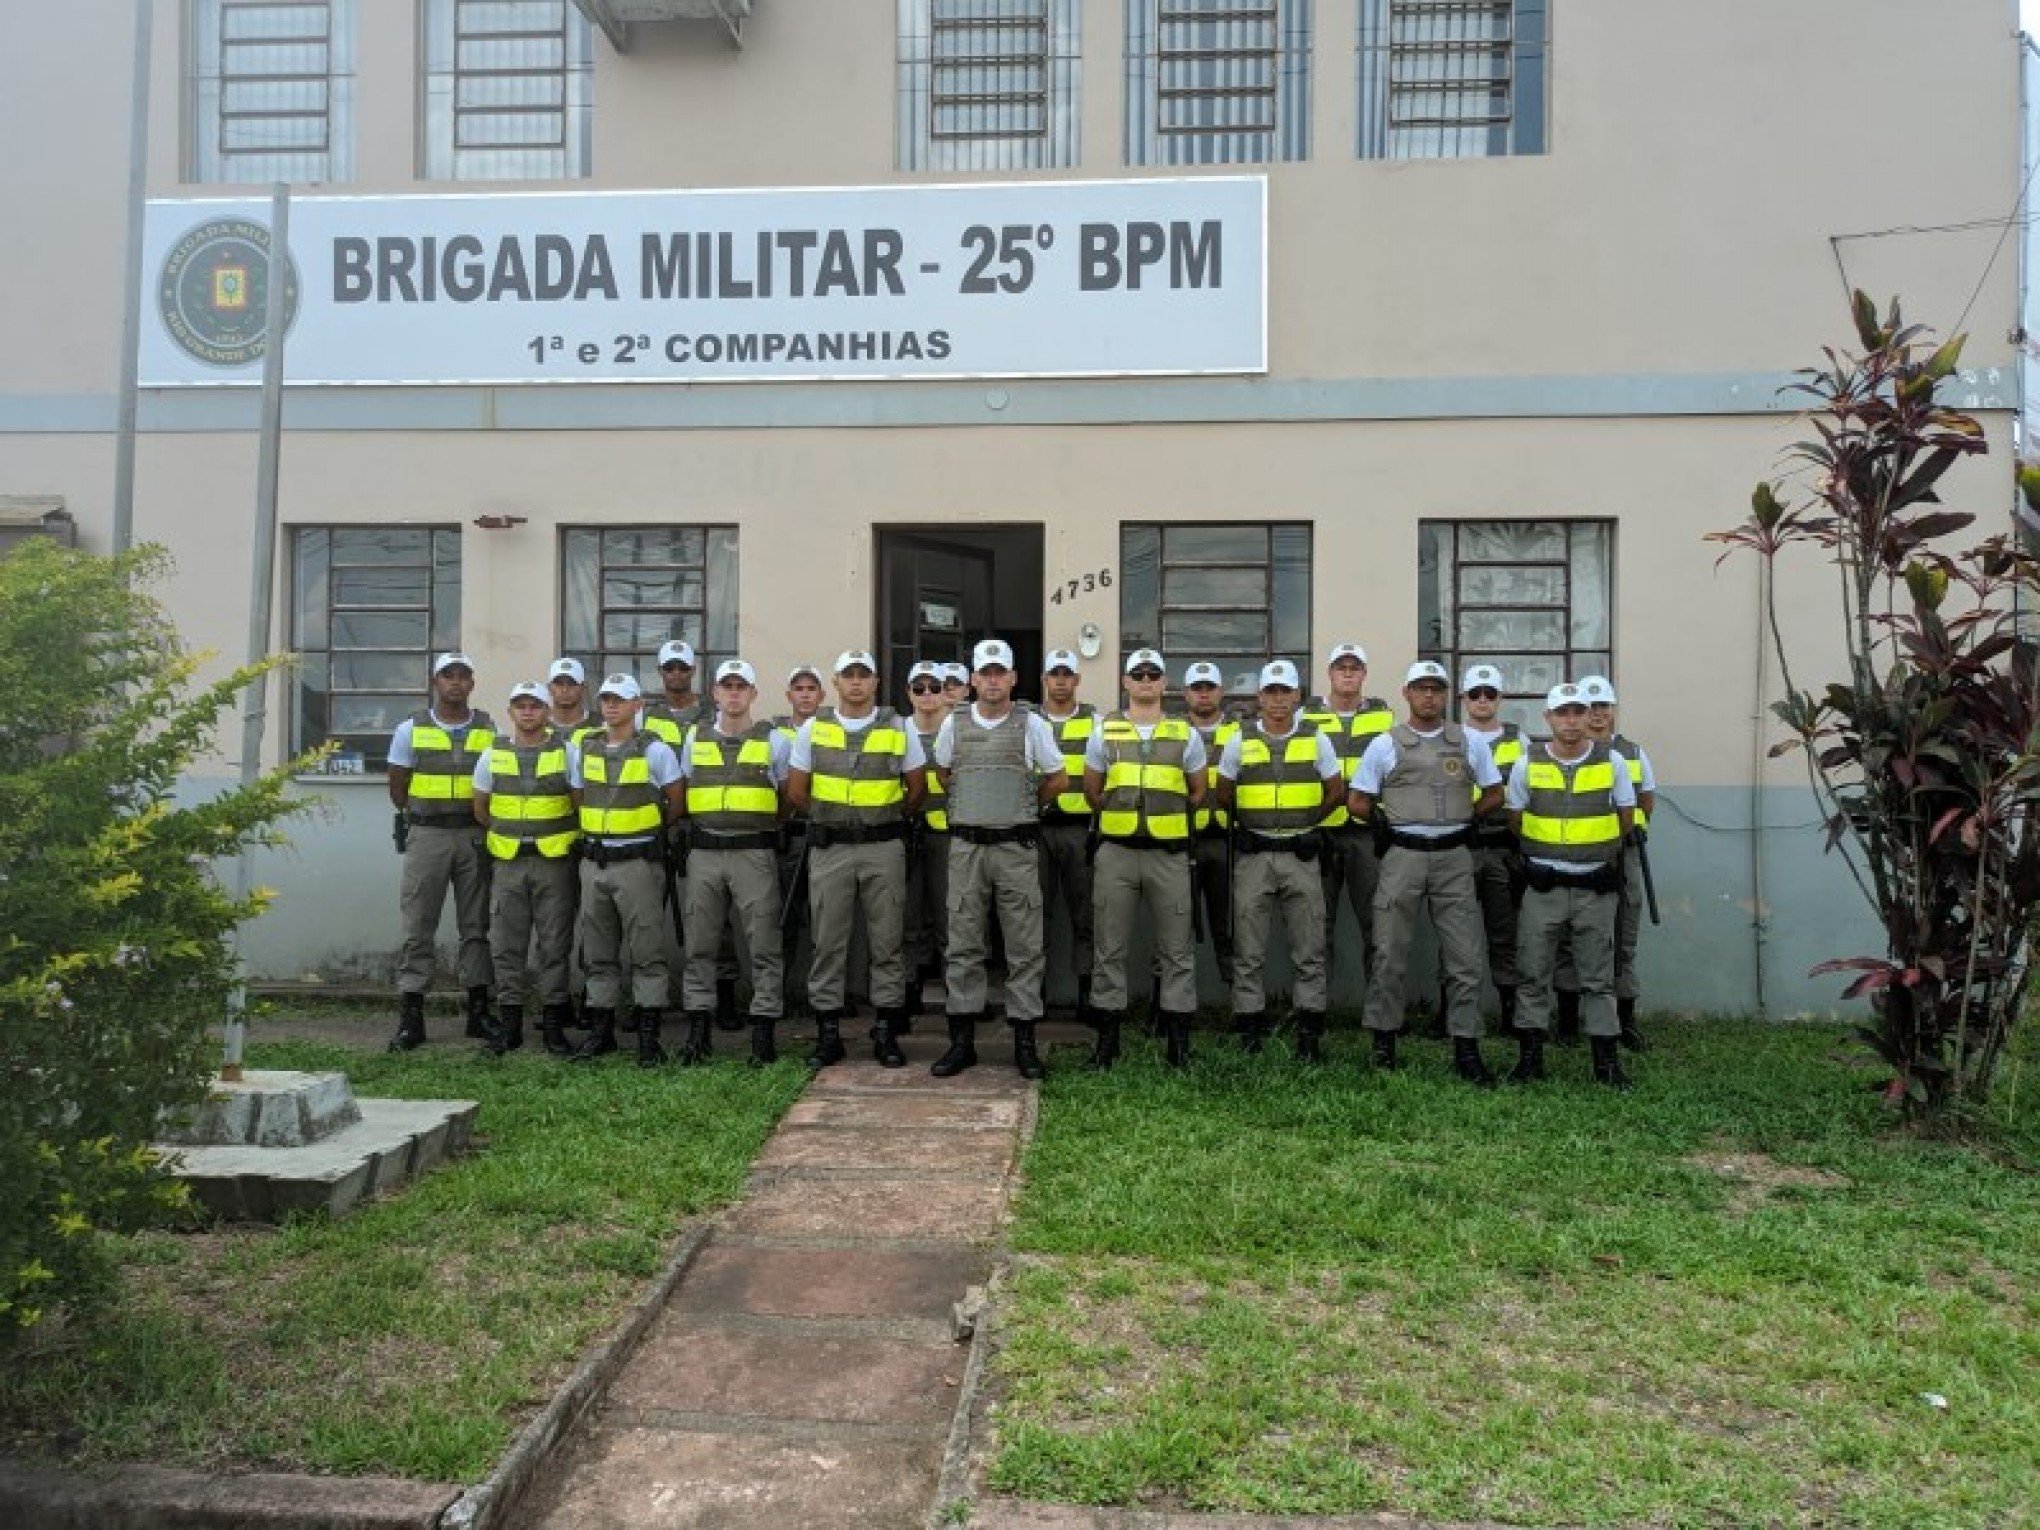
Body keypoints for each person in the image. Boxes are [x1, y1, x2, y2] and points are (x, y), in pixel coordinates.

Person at [1348, 660, 1504, 1085]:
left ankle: (1466, 1048)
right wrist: (1383, 825)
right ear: (1407, 694)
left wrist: (1469, 817)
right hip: (1403, 856)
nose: (1429, 696)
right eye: (1421, 688)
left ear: (1446, 694)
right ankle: (1384, 1043)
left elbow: (1494, 793)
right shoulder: (1385, 744)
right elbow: (1358, 801)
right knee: (1388, 952)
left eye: (1437, 689)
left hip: (1454, 857)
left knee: (1464, 957)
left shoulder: (1469, 741)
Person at [931, 638, 1067, 1078]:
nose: (991, 680)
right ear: (973, 679)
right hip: (968, 848)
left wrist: (1026, 809)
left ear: (1012, 678)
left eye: (999, 673)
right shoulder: (954, 724)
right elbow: (942, 774)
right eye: (984, 673)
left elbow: (1057, 780)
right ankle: (962, 1043)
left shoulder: (1032, 725)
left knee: (1024, 944)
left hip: (1015, 848)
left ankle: (1024, 1044)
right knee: (964, 942)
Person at [789, 650, 927, 1068]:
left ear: (876, 682)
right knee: (828, 941)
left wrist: (882, 820)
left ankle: (885, 1031)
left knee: (887, 942)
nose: (855, 682)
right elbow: (797, 792)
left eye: (862, 675)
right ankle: (827, 1034)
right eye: (847, 675)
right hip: (830, 848)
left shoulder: (900, 728)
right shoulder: (814, 728)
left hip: (883, 847)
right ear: (835, 682)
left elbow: (916, 789)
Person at [1506, 682, 1639, 1089]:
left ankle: (1606, 1063)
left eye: (1578, 712)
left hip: (1594, 887)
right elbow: (1515, 815)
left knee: (1598, 976)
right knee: (1532, 971)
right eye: (1562, 713)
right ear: (1547, 718)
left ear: (1588, 717)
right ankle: (1530, 1058)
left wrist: (1593, 853)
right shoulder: (1527, 762)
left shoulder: (1611, 761)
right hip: (1544, 884)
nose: (1571, 720)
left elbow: (1627, 816)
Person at [1084, 648, 1207, 1068]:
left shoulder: (1183, 733)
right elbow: (1092, 792)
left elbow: (1198, 792)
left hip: (1168, 856)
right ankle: (1107, 1041)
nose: (1145, 680)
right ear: (1125, 682)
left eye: (1153, 674)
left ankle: (1178, 1045)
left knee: (1177, 950)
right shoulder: (1105, 730)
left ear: (1164, 683)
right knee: (1109, 947)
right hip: (1116, 854)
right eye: (1138, 674)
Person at [1215, 660, 1341, 1059]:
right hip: (1254, 857)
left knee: (1309, 950)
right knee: (1248, 951)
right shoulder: (1240, 739)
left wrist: (1309, 826)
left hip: (1301, 856)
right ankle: (1250, 1033)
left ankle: (1308, 1038)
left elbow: (1335, 790)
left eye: (1285, 692)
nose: (1278, 700)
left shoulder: (1316, 738)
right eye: (1271, 692)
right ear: (1259, 697)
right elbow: (1223, 793)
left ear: (1297, 696)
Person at [676, 660, 789, 1067]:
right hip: (705, 852)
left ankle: (763, 1034)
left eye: (743, 686)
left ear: (754, 694)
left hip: (754, 853)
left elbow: (788, 799)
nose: (735, 693)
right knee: (700, 945)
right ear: (715, 693)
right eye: (728, 686)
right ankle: (698, 1033)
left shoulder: (774, 741)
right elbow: (685, 790)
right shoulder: (695, 738)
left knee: (762, 945)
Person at [569, 674, 685, 1065]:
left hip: (638, 863)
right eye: (606, 699)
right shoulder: (583, 748)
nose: (611, 706)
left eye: (620, 700)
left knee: (647, 951)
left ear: (638, 705)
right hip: (594, 862)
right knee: (598, 953)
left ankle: (648, 1038)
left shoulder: (656, 751)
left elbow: (676, 803)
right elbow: (577, 797)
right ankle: (601, 1033)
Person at [386, 651, 495, 1052]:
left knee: (477, 926)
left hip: (473, 835)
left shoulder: (487, 727)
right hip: (428, 835)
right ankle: (412, 1016)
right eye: (447, 675)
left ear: (472, 683)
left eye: (462, 675)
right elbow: (397, 786)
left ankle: (478, 1012)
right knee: (419, 924)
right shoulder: (409, 729)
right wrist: (420, 816)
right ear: (435, 682)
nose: (454, 682)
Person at [472, 682, 580, 1057]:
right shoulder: (491, 755)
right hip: (508, 863)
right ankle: (510, 1027)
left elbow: (578, 804)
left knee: (555, 945)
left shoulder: (567, 752)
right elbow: (481, 808)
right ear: (511, 711)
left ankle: (553, 1028)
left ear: (547, 712)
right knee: (507, 946)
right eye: (521, 705)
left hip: (554, 862)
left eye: (535, 706)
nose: (529, 712)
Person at [642, 637, 736, 1031]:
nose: (676, 674)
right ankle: (645, 1002)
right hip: (657, 826)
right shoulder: (643, 717)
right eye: (669, 668)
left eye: (683, 667)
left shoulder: (711, 714)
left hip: (702, 823)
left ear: (693, 671)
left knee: (719, 916)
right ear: (660, 672)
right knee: (647, 913)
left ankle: (726, 996)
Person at [1302, 643, 1394, 998]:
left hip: (1366, 833)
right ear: (1329, 673)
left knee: (1375, 921)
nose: (1348, 673)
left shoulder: (1384, 718)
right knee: (1317, 923)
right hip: (1320, 832)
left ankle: (1378, 1004)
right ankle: (1315, 1004)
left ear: (1364, 674)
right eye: (1341, 667)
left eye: (1355, 668)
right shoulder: (1305, 717)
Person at [1586, 674, 1656, 1053]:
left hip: (1625, 852)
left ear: (1613, 711)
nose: (1597, 714)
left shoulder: (1632, 753)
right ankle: (1571, 1021)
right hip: (1584, 854)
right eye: (1591, 707)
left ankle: (1625, 1022)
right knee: (1578, 938)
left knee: (1625, 934)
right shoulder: (1572, 752)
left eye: (1603, 707)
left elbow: (1646, 800)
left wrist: (1629, 831)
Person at [1459, 663, 1526, 1036]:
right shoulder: (1451, 739)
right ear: (1465, 699)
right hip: (1461, 848)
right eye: (1475, 694)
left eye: (1490, 694)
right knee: (1456, 935)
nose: (1482, 701)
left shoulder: (1521, 742)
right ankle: (1450, 1011)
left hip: (1504, 849)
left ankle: (1509, 1013)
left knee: (1505, 934)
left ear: (1500, 698)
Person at [1036, 648, 1097, 1022]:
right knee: (1032, 916)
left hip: (1080, 830)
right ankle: (1034, 994)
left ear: (1076, 680)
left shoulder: (1096, 722)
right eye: (1053, 673)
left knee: (1085, 914)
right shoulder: (1026, 721)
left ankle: (1087, 995)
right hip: (1037, 830)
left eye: (1066, 673)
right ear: (1044, 679)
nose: (1060, 680)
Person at [773, 663, 827, 1024]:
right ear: (789, 695)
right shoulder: (773, 734)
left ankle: (824, 995)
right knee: (785, 917)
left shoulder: (830, 731)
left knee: (825, 919)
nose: (805, 693)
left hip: (823, 833)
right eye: (799, 688)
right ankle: (782, 992)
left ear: (822, 696)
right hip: (788, 836)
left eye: (812, 688)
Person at [1184, 660, 1240, 997]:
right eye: (1197, 688)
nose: (1203, 695)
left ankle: (1239, 1006)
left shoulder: (1240, 732)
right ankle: (1171, 1009)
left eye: (1209, 688)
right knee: (1177, 928)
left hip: (1226, 842)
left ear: (1220, 692)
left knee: (1230, 926)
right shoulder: (1171, 731)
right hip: (1181, 842)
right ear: (1186, 693)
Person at [902, 660, 952, 1022]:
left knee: (952, 918)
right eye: (919, 688)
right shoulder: (898, 731)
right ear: (909, 693)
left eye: (934, 687)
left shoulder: (957, 729)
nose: (927, 695)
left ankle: (958, 996)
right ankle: (909, 991)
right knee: (908, 917)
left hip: (948, 835)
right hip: (906, 834)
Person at [546, 657, 599, 746]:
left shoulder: (601, 725)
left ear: (583, 688)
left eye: (572, 683)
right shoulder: (537, 724)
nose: (565, 689)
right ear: (549, 688)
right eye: (559, 684)